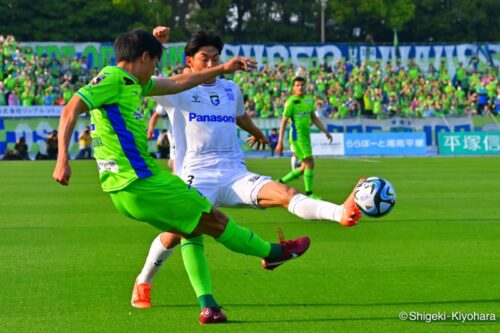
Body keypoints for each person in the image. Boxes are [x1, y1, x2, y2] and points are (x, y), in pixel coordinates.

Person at [52, 28, 311, 325]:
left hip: (122, 191)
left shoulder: (133, 83)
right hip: (143, 182)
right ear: (144, 57)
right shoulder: (113, 79)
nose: (155, 70)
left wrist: (220, 68)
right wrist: (63, 159)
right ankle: (273, 252)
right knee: (215, 220)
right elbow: (70, 109)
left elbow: (177, 83)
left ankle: (207, 304)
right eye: (154, 61)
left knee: (192, 229)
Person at [132, 27, 363, 316]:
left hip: (233, 171)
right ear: (189, 60)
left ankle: (340, 213)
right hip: (195, 173)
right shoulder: (175, 88)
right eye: (205, 58)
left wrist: (257, 132)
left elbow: (238, 115)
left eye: (216, 57)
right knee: (180, 234)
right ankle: (152, 283)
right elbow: (140, 79)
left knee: (284, 193)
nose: (212, 64)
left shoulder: (231, 89)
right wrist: (156, 43)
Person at [276, 77, 333, 199]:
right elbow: (283, 122)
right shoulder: (291, 102)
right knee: (310, 162)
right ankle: (309, 193)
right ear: (293, 88)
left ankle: (279, 182)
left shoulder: (309, 100)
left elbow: (314, 118)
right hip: (297, 137)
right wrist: (280, 142)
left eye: (302, 84)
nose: (300, 87)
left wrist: (325, 131)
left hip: (306, 137)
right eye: (297, 85)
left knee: (303, 167)